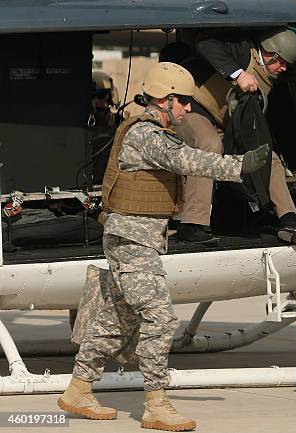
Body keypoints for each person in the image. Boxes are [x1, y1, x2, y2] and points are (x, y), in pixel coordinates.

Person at [58, 62, 269, 431]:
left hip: (134, 239)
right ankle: (156, 403)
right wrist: (240, 165)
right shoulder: (147, 135)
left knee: (116, 318)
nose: (188, 109)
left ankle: (78, 389)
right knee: (159, 317)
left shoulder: (148, 131)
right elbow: (189, 159)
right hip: (133, 242)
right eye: (183, 101)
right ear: (164, 99)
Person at [167, 28, 296, 244]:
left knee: (265, 154)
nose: (283, 68)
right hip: (193, 108)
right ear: (269, 52)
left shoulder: (272, 78)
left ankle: (289, 218)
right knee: (208, 143)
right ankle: (193, 223)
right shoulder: (242, 50)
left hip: (229, 124)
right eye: (280, 61)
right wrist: (238, 73)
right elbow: (205, 44)